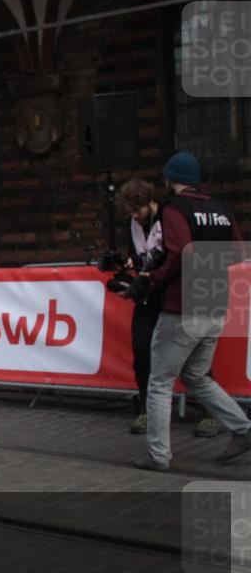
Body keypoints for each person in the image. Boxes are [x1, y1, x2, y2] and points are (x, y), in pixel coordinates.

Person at [133, 153, 251, 470]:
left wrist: (152, 279)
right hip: (214, 305)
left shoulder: (174, 208)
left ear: (170, 179)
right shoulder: (221, 210)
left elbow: (178, 253)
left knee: (159, 383)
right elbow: (238, 252)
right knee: (196, 376)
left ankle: (158, 455)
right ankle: (242, 428)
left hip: (182, 308)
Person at [113, 179, 164, 435]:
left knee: (187, 355)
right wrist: (129, 266)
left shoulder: (167, 219)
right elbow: (138, 256)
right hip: (145, 296)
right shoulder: (133, 224)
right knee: (141, 351)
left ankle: (209, 412)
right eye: (130, 212)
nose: (134, 216)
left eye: (137, 210)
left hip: (168, 294)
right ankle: (145, 409)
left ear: (149, 202)